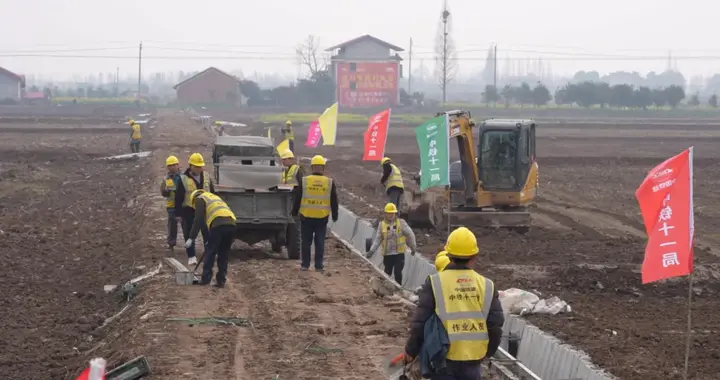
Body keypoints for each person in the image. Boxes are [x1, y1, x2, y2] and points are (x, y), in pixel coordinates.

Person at [404, 227, 505, 380]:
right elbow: (495, 325)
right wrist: (488, 352)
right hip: (473, 361)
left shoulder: (435, 282)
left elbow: (420, 321)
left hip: (443, 359)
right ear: (474, 256)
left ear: (449, 255)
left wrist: (411, 351)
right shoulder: (487, 285)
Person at [291, 154, 338, 272]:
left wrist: (294, 212)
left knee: (306, 242)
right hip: (322, 217)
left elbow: (298, 198)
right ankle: (318, 266)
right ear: (323, 168)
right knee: (320, 242)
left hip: (306, 216)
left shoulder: (305, 181)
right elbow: (334, 200)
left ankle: (305, 265)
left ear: (312, 167)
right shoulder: (329, 182)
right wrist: (335, 214)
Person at [184, 190, 236, 288]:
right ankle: (221, 280)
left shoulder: (199, 199)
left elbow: (198, 219)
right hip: (231, 225)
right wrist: (210, 236)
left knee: (210, 251)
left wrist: (191, 237)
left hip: (218, 225)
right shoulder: (213, 197)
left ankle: (205, 279)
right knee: (223, 254)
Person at [174, 153, 214, 266]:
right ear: (191, 166)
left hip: (205, 209)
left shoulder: (206, 176)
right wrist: (178, 213)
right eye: (197, 166)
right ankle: (191, 256)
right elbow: (178, 197)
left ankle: (209, 254)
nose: (199, 168)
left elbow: (213, 192)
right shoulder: (183, 179)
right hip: (189, 210)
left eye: (200, 166)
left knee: (208, 233)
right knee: (189, 234)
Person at [366, 203, 417, 285]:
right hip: (387, 254)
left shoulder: (401, 223)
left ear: (395, 213)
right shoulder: (381, 225)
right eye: (389, 213)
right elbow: (377, 240)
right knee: (387, 273)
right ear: (385, 213)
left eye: (392, 213)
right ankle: (386, 290)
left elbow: (410, 234)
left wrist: (413, 247)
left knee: (398, 272)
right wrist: (371, 251)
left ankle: (398, 290)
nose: (390, 215)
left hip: (399, 254)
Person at [160, 155, 181, 249]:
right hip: (171, 205)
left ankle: (189, 243)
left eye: (174, 165)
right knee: (172, 225)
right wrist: (166, 191)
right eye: (170, 165)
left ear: (178, 165)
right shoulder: (166, 179)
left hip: (182, 205)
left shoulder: (183, 177)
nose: (172, 167)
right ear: (167, 167)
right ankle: (171, 243)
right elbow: (163, 192)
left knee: (186, 226)